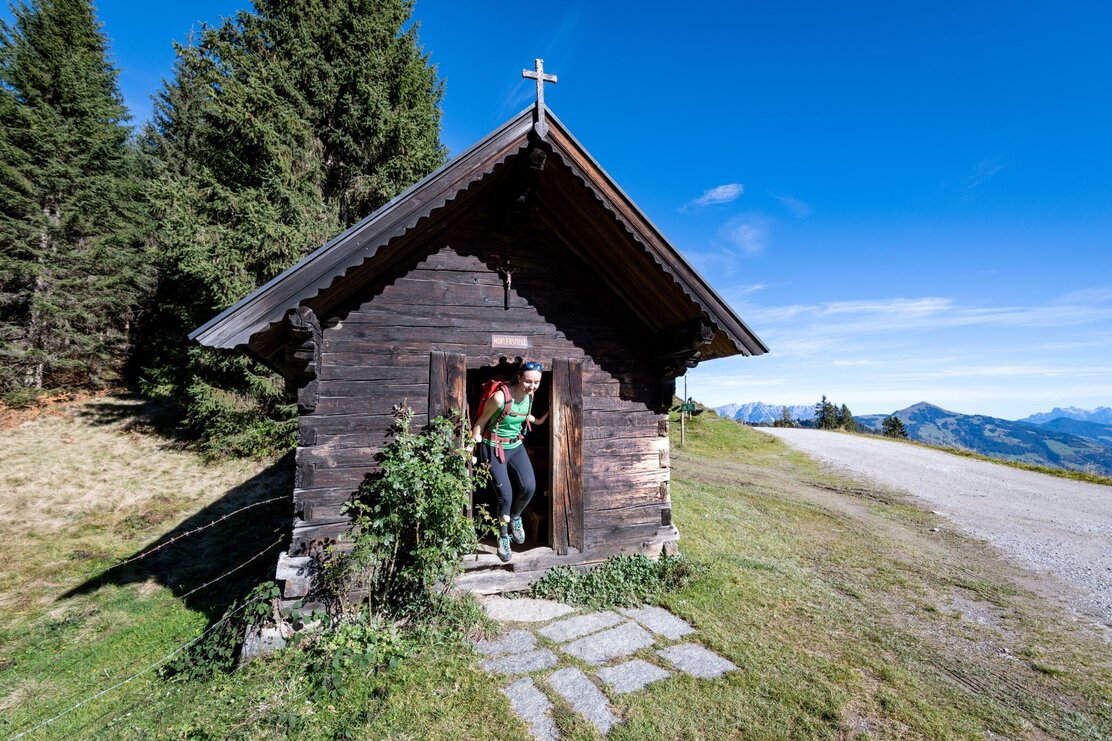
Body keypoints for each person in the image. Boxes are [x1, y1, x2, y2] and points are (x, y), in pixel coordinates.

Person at [471, 360, 549, 562]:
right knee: (505, 496)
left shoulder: (530, 396)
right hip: (493, 446)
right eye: (528, 381)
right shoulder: (499, 397)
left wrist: (540, 420)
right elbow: (480, 422)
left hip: (515, 446)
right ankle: (503, 537)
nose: (532, 386)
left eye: (536, 383)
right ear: (520, 377)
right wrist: (471, 447)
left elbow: (523, 415)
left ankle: (515, 517)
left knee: (529, 487)